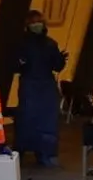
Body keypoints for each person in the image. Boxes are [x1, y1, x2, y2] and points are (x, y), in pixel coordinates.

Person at [15, 10, 68, 168]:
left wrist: (61, 59)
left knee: (42, 120)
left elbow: (57, 66)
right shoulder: (25, 44)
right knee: (32, 119)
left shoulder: (49, 43)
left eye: (39, 21)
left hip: (40, 85)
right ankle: (37, 153)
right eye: (34, 22)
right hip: (34, 85)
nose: (37, 25)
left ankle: (39, 153)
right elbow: (15, 65)